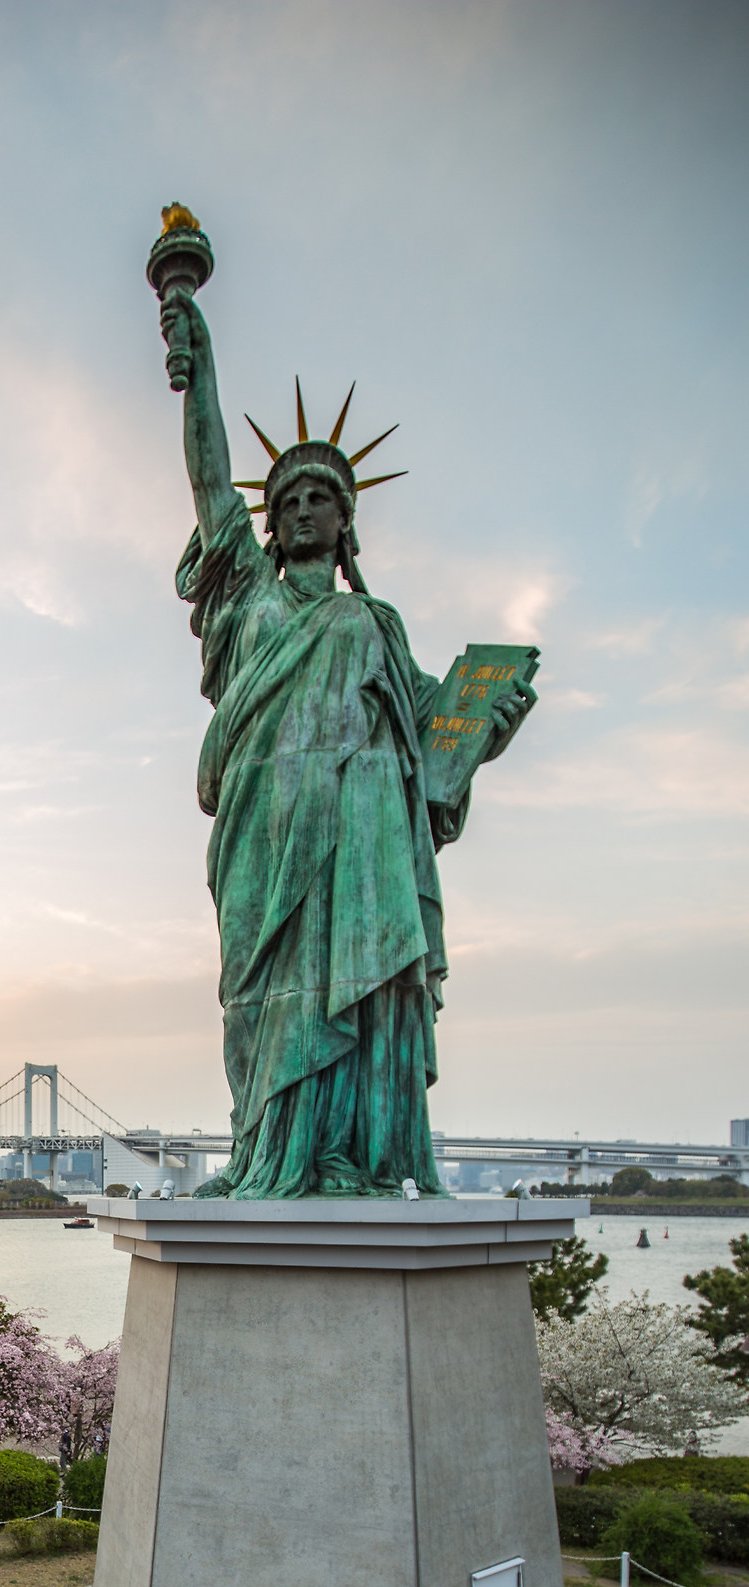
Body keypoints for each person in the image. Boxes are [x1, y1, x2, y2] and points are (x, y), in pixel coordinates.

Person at [157, 283, 535, 1199]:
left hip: (357, 841)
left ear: (345, 519)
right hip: (263, 829)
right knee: (259, 1001)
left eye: (320, 497)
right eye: (286, 498)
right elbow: (212, 484)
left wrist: (490, 725)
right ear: (270, 521)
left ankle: (346, 1155)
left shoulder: (375, 622)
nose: (300, 510)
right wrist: (196, 359)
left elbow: (428, 749)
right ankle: (263, 1152)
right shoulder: (247, 596)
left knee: (356, 993)